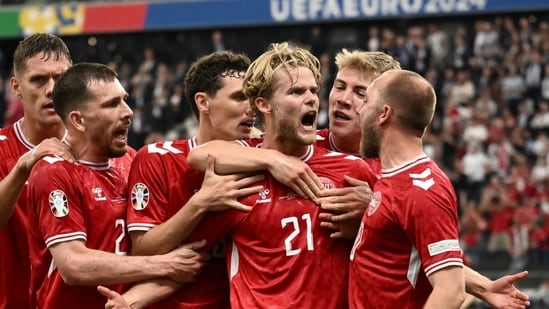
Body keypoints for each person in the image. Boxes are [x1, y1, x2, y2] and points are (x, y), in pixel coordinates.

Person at [25, 62, 206, 309]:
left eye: (124, 99)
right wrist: (165, 264)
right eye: (112, 104)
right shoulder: (53, 172)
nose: (128, 112)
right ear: (78, 120)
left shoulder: (134, 160)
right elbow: (74, 266)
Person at [121, 51, 266, 308]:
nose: (251, 108)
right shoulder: (158, 158)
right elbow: (142, 250)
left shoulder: (264, 157)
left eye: (254, 99)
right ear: (203, 102)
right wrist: (199, 203)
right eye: (239, 97)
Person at [0, 33, 77, 309]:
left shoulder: (100, 152)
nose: (52, 89)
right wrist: (24, 165)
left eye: (60, 78)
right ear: (16, 87)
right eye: (39, 80)